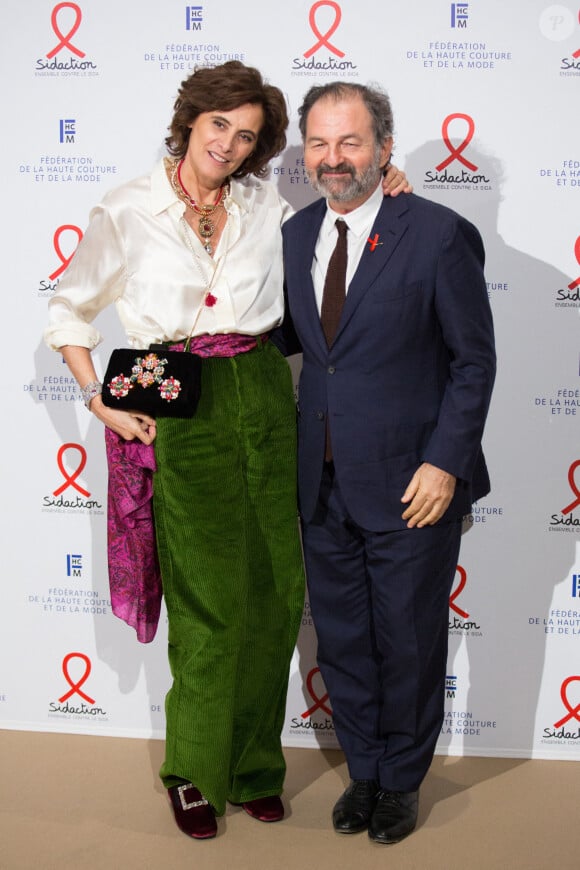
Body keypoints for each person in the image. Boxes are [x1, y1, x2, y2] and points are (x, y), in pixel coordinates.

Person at [44, 62, 411, 841]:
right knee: (209, 601)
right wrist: (100, 400)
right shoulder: (127, 207)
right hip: (181, 401)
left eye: (246, 135)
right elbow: (70, 313)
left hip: (268, 395)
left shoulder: (266, 203)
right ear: (190, 120)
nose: (230, 143)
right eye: (220, 125)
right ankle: (194, 771)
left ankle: (252, 769)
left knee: (277, 594)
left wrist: (383, 185)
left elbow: (337, 226)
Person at [278, 82, 496, 845]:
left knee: (407, 639)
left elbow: (474, 363)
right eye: (319, 144)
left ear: (383, 148)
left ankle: (402, 780)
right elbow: (289, 348)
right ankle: (364, 768)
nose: (333, 159)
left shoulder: (437, 234)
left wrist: (445, 462)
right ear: (303, 152)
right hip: (323, 482)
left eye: (350, 143)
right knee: (341, 639)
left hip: (413, 485)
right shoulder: (294, 234)